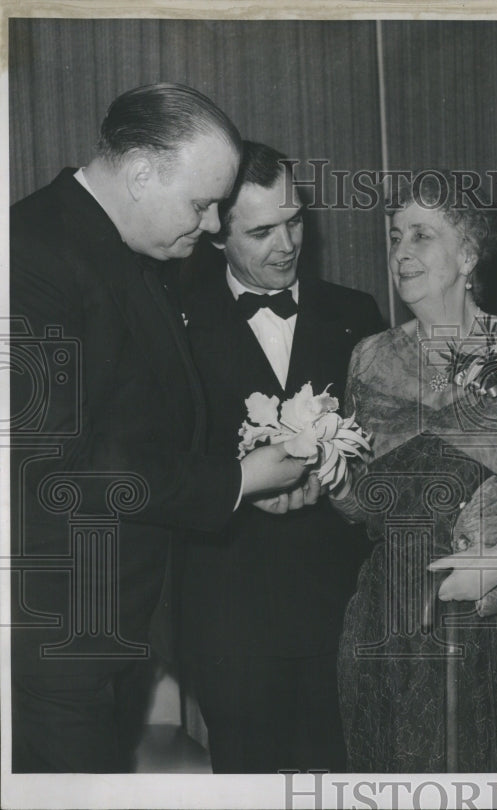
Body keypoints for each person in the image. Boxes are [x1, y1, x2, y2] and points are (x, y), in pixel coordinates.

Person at [9, 85, 309, 773]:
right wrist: (236, 479)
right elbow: (57, 467)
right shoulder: (31, 254)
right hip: (54, 635)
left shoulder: (122, 251)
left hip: (103, 628)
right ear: (141, 172)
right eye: (202, 203)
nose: (211, 226)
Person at [329, 172, 497, 772]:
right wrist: (334, 483)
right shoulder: (370, 357)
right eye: (393, 236)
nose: (401, 252)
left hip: (494, 613)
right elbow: (363, 507)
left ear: (467, 254)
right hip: (393, 620)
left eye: (421, 235)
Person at [176, 141, 384, 772]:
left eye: (295, 221)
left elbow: (385, 457)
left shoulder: (356, 314)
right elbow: (161, 461)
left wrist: (339, 476)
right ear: (216, 233)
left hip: (340, 608)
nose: (288, 244)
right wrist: (245, 484)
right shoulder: (173, 320)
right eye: (263, 230)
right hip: (231, 618)